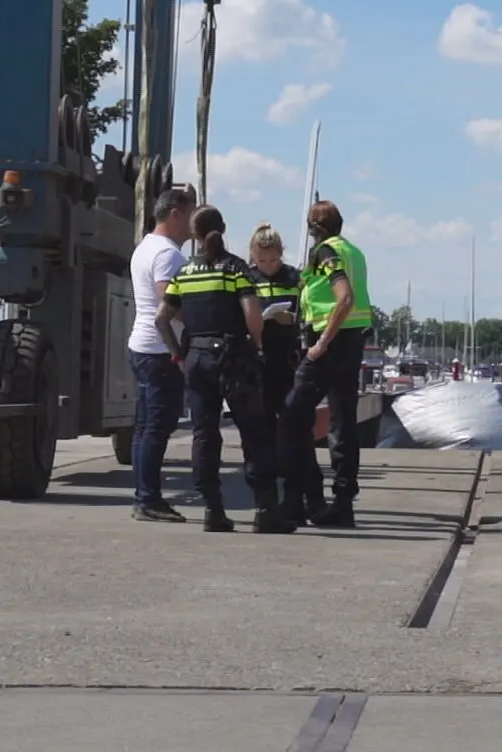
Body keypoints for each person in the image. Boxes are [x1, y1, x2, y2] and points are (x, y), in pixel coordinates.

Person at [154, 206, 296, 534]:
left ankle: (213, 510)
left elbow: (162, 319)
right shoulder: (235, 269)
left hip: (196, 358)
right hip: (234, 358)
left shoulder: (184, 273)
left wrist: (178, 356)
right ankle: (265, 510)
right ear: (224, 229)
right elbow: (252, 313)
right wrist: (256, 344)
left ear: (195, 235)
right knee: (254, 432)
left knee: (204, 434)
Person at [279, 200, 373, 529]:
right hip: (353, 341)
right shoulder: (354, 252)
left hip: (329, 341)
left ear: (313, 229)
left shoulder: (324, 252)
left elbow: (344, 298)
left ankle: (303, 495)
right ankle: (343, 503)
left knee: (291, 415)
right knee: (343, 421)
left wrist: (321, 343)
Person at [245, 222, 323, 525]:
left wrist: (294, 319)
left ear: (281, 254)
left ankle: (310, 499)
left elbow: (309, 313)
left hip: (289, 364)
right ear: (253, 257)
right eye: (262, 260)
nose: (268, 265)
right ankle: (275, 501)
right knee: (264, 435)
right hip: (260, 364)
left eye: (273, 259)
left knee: (299, 434)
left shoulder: (295, 278)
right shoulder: (248, 278)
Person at [126, 186, 195, 523]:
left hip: (144, 347)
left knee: (145, 428)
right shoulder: (167, 255)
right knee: (156, 427)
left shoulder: (145, 247)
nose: (194, 222)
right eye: (191, 213)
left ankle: (144, 495)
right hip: (160, 350)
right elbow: (170, 306)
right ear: (175, 214)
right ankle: (148, 499)